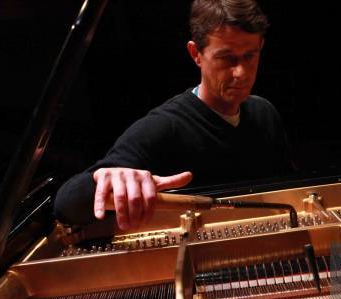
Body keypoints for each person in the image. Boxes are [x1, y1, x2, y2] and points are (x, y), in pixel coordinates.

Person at [54, 0, 292, 230]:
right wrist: (100, 179)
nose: (241, 72)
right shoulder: (163, 127)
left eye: (250, 56)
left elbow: (293, 194)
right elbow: (66, 205)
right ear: (195, 54)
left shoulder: (264, 114)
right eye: (226, 58)